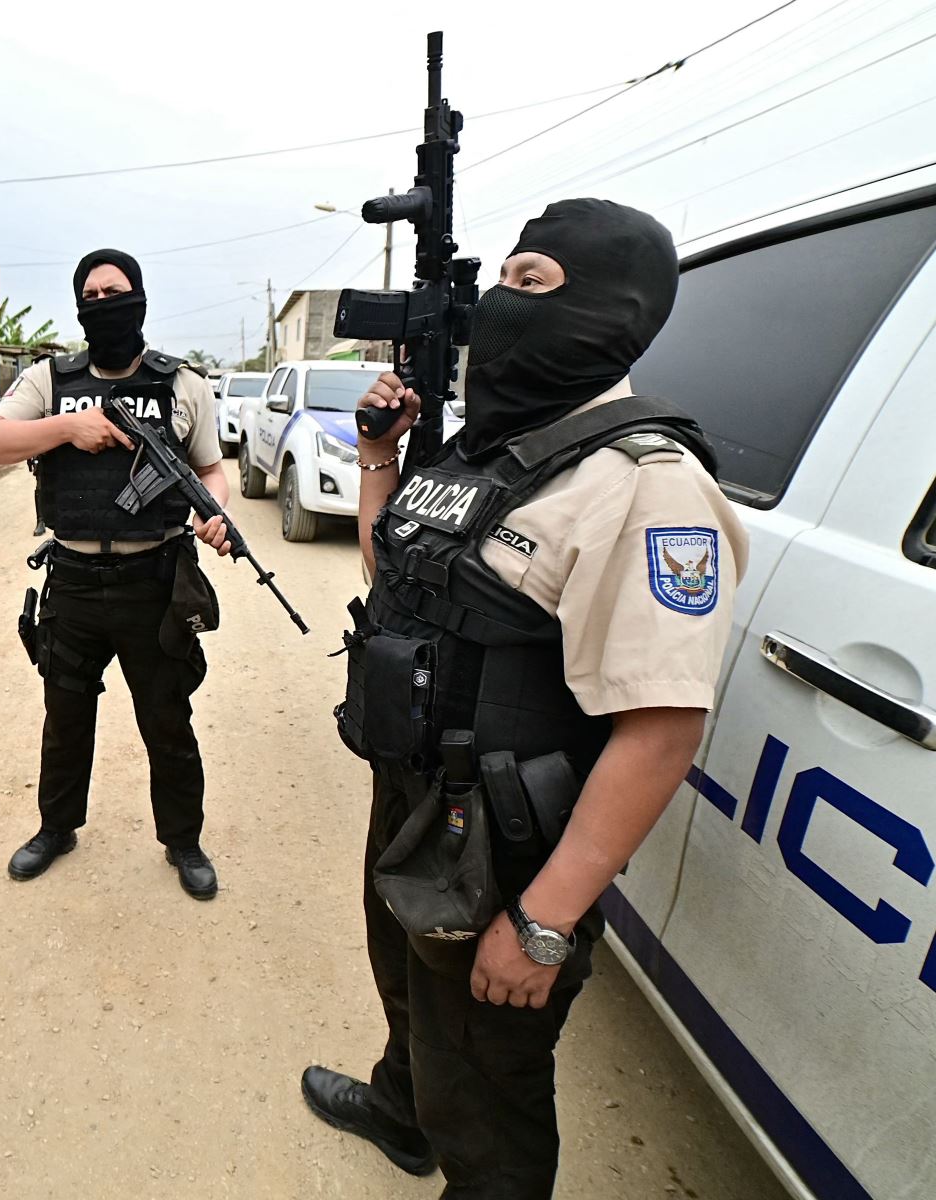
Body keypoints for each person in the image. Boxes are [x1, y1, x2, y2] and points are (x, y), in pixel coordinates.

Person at [300, 198, 748, 1197]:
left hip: (505, 849)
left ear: (611, 312)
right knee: (410, 992)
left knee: (490, 1093)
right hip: (417, 802)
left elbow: (662, 726)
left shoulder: (646, 484)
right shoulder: (487, 456)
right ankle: (399, 1111)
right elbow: (404, 580)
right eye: (504, 279)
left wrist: (546, 919)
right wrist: (382, 453)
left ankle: (447, 1135)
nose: (504, 303)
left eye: (533, 282)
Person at [0, 249, 233, 900]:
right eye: (91, 294)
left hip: (157, 579)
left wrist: (216, 512)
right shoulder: (49, 381)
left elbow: (210, 469)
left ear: (139, 297)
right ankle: (56, 828)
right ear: (79, 307)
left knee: (167, 720)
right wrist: (68, 428)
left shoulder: (183, 384)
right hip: (76, 580)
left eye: (115, 290)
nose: (104, 301)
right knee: (65, 717)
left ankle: (183, 840)